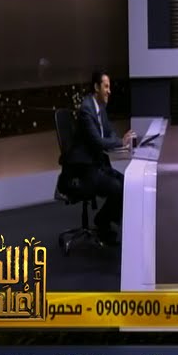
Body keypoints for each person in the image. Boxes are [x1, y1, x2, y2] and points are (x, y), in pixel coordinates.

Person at [63, 69, 135, 245]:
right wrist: (120, 142)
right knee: (118, 188)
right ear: (96, 87)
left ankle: (104, 221)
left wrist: (119, 141)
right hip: (84, 169)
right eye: (106, 87)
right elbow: (98, 141)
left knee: (126, 183)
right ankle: (103, 222)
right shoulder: (86, 110)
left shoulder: (100, 107)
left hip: (97, 164)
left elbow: (109, 132)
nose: (109, 91)